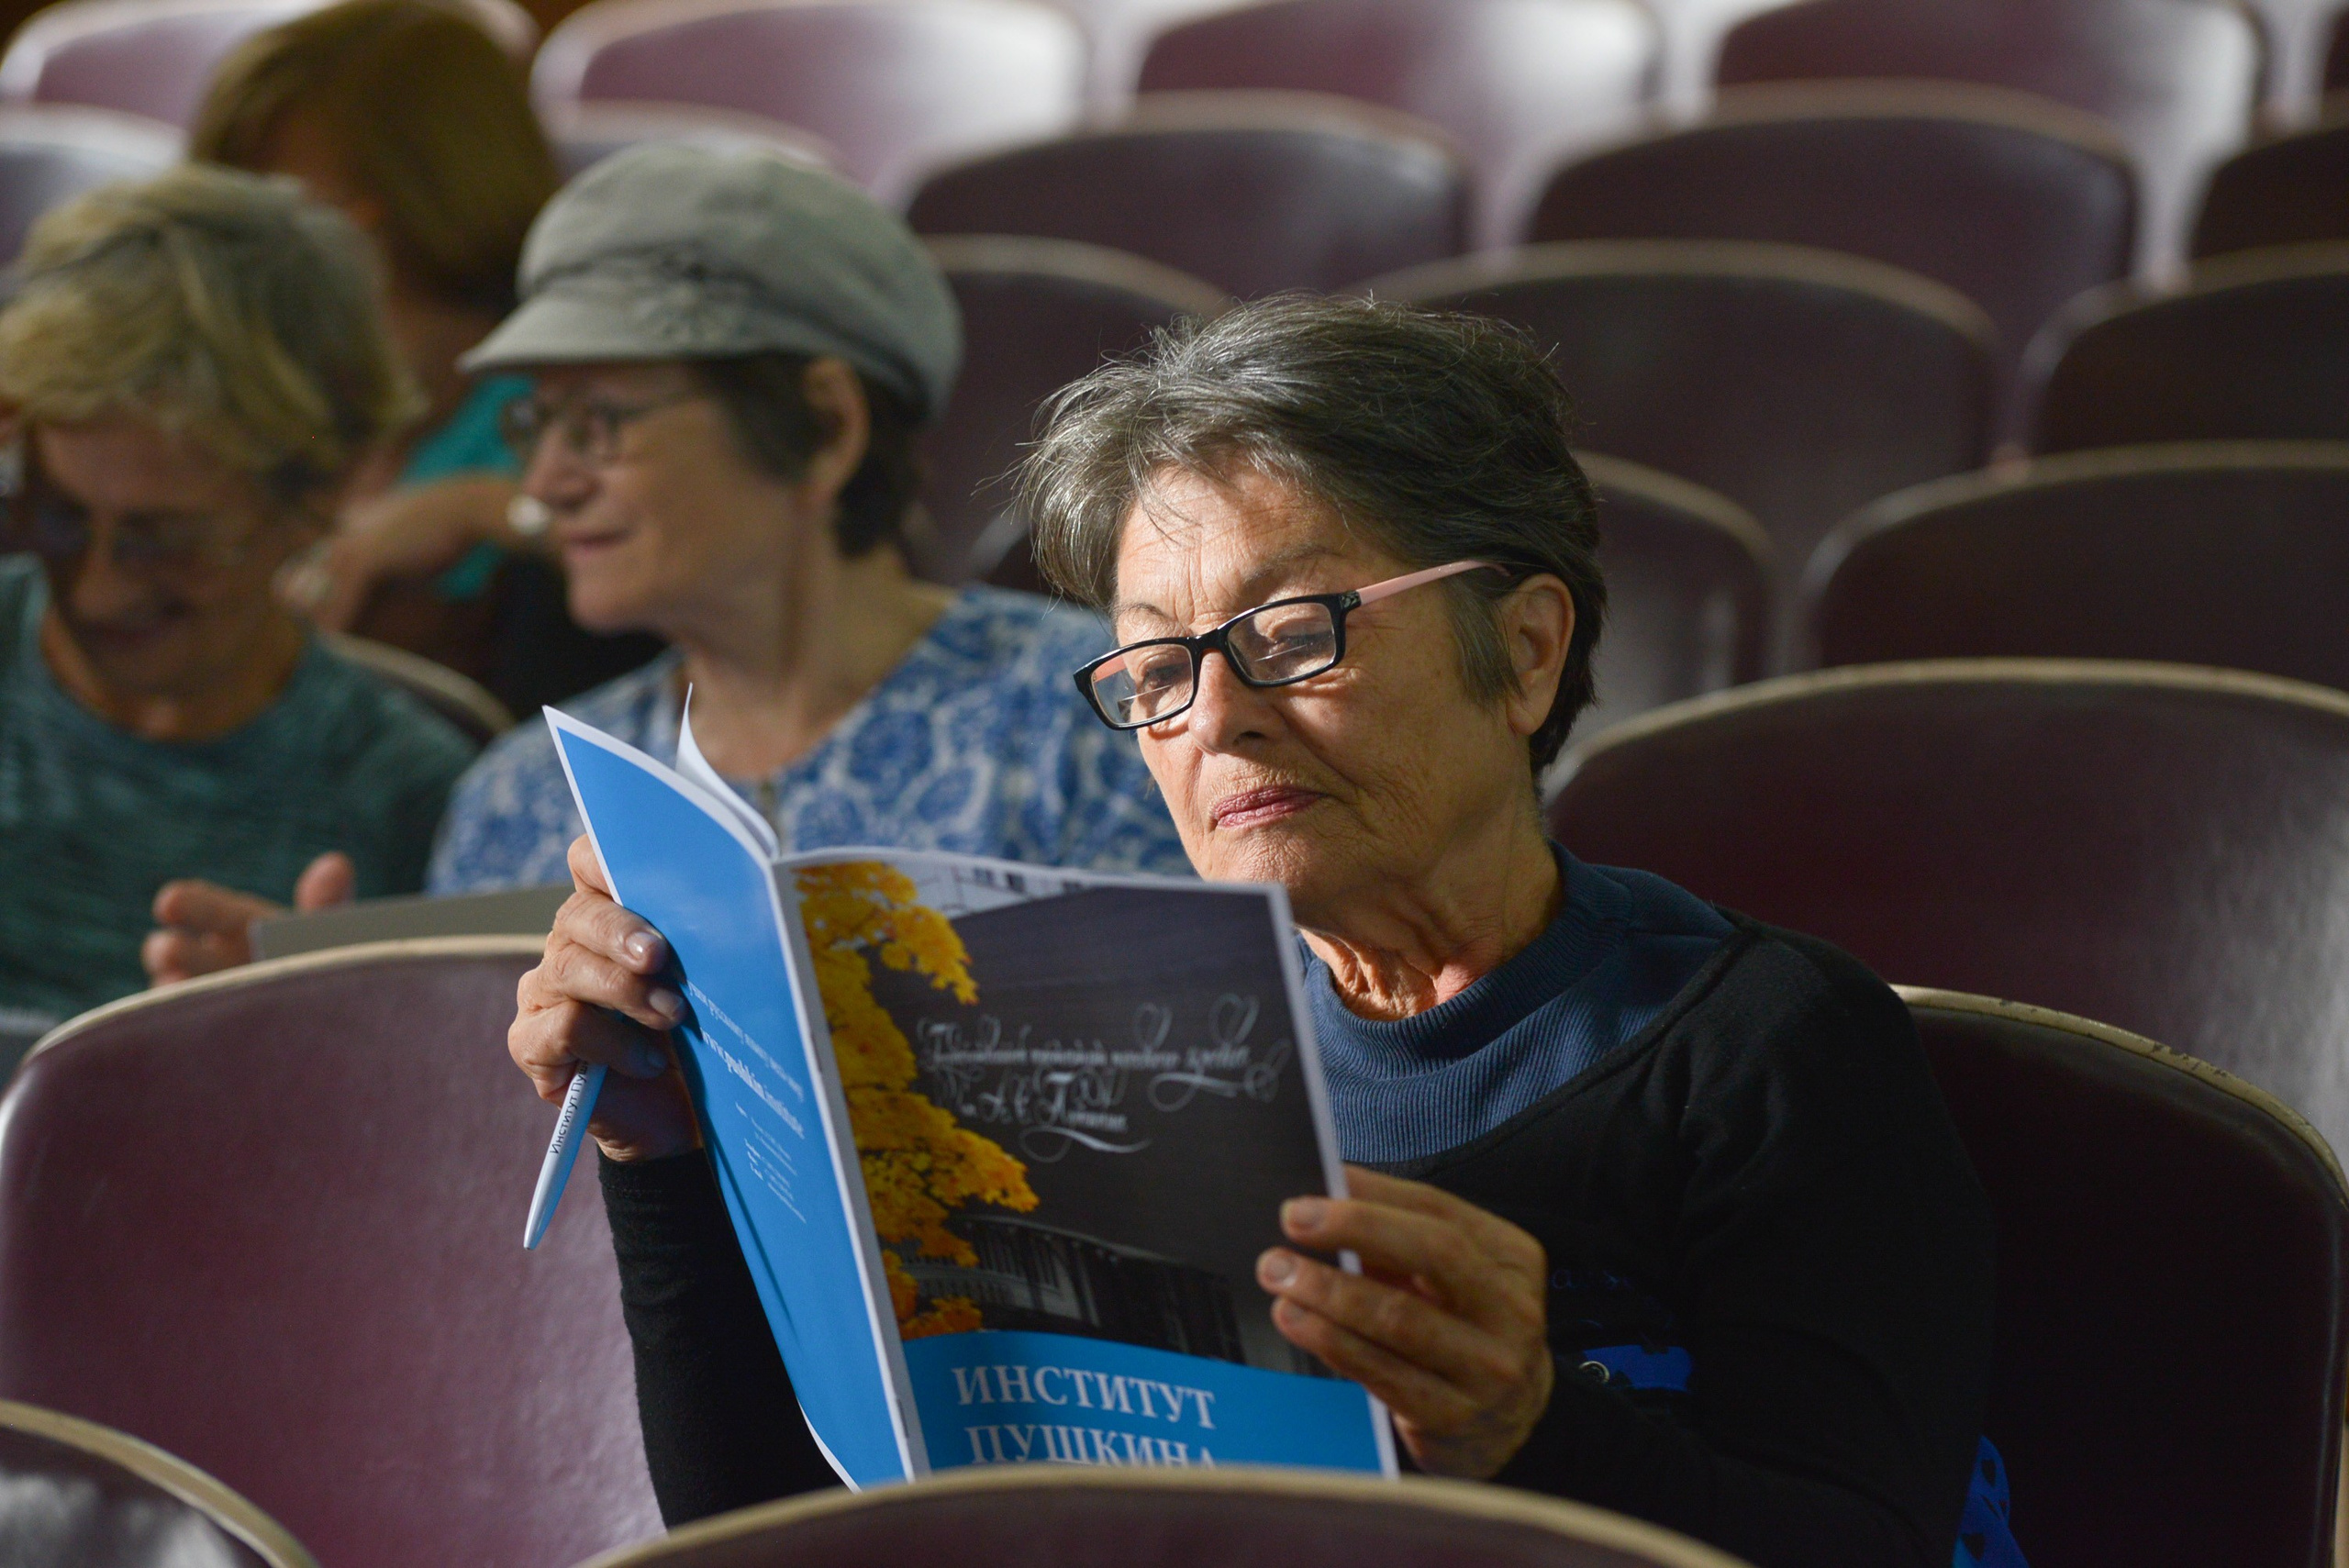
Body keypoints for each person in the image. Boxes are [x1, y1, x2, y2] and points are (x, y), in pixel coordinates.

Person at [509, 296, 2005, 1568]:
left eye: (1292, 634)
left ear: (1526, 651)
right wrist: (665, 1157)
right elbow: (775, 1537)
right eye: (1156, 669)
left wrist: (1535, 1428)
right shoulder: (1094, 1072)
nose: (1214, 718)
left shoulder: (1763, 1048)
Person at [142, 145, 1189, 983]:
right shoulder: (529, 794)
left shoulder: (1094, 718)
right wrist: (337, 1032)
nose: (545, 480)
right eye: (537, 422)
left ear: (823, 427)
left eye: (598, 422)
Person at [0, 166, 477, 1034]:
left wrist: (326, 1038)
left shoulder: (406, 798)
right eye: (57, 515)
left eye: (165, 539)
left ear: (318, 495)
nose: (97, 590)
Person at [190, 0, 661, 715]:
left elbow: (700, 558)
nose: (244, 255)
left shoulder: (588, 374)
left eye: (289, 206)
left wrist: (481, 509)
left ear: (427, 195)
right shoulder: (245, 385)